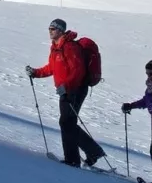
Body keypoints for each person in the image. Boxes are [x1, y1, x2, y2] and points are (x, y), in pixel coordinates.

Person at [25, 18, 105, 168]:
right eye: (49, 28)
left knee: (66, 122)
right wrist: (35, 73)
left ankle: (75, 158)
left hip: (75, 89)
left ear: (61, 30)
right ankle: (88, 153)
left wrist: (66, 86)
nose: (50, 31)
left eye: (53, 29)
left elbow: (78, 70)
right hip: (66, 89)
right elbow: (52, 68)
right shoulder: (56, 47)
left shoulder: (69, 47)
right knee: (68, 122)